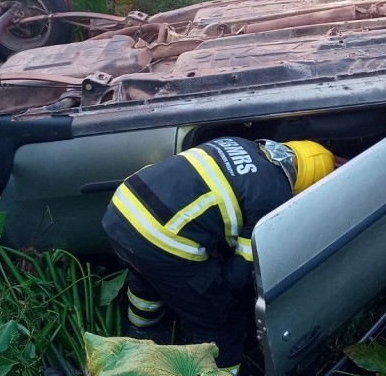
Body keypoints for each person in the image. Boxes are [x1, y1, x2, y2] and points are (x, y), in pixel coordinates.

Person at [101, 136, 337, 374]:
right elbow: (240, 272)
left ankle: (140, 331)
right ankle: (221, 369)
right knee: (221, 323)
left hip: (122, 211)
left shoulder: (238, 142)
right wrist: (220, 292)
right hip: (162, 238)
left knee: (148, 281)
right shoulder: (275, 194)